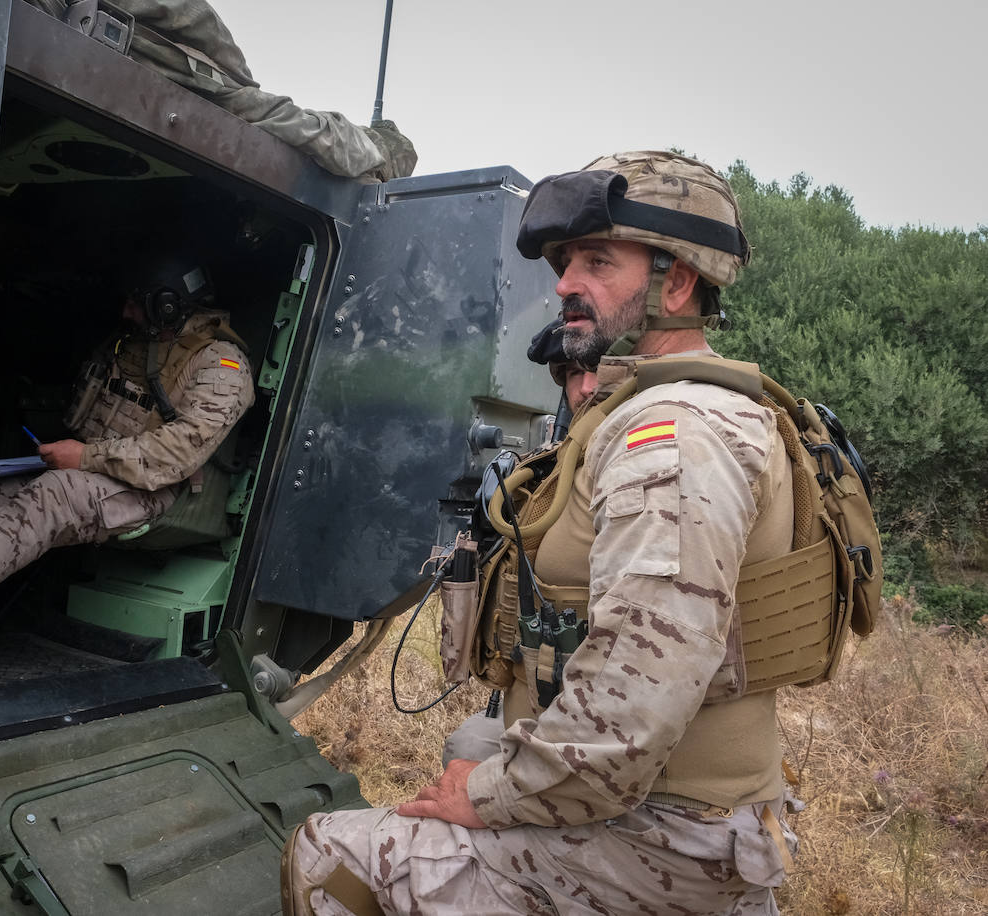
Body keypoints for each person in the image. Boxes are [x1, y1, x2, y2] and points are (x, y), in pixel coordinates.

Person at [282, 151, 802, 915]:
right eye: (565, 264)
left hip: (664, 831)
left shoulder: (671, 439)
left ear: (677, 283)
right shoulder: (663, 415)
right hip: (671, 805)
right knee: (471, 745)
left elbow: (629, 715)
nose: (564, 285)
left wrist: (486, 796)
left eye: (598, 261)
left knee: (325, 854)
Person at [0, 258, 254, 688]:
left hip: (154, 493)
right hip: (93, 468)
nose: (126, 312)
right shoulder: (131, 344)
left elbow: (177, 454)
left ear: (167, 304)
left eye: (136, 303)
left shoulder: (223, 365)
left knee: (56, 494)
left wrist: (86, 457)